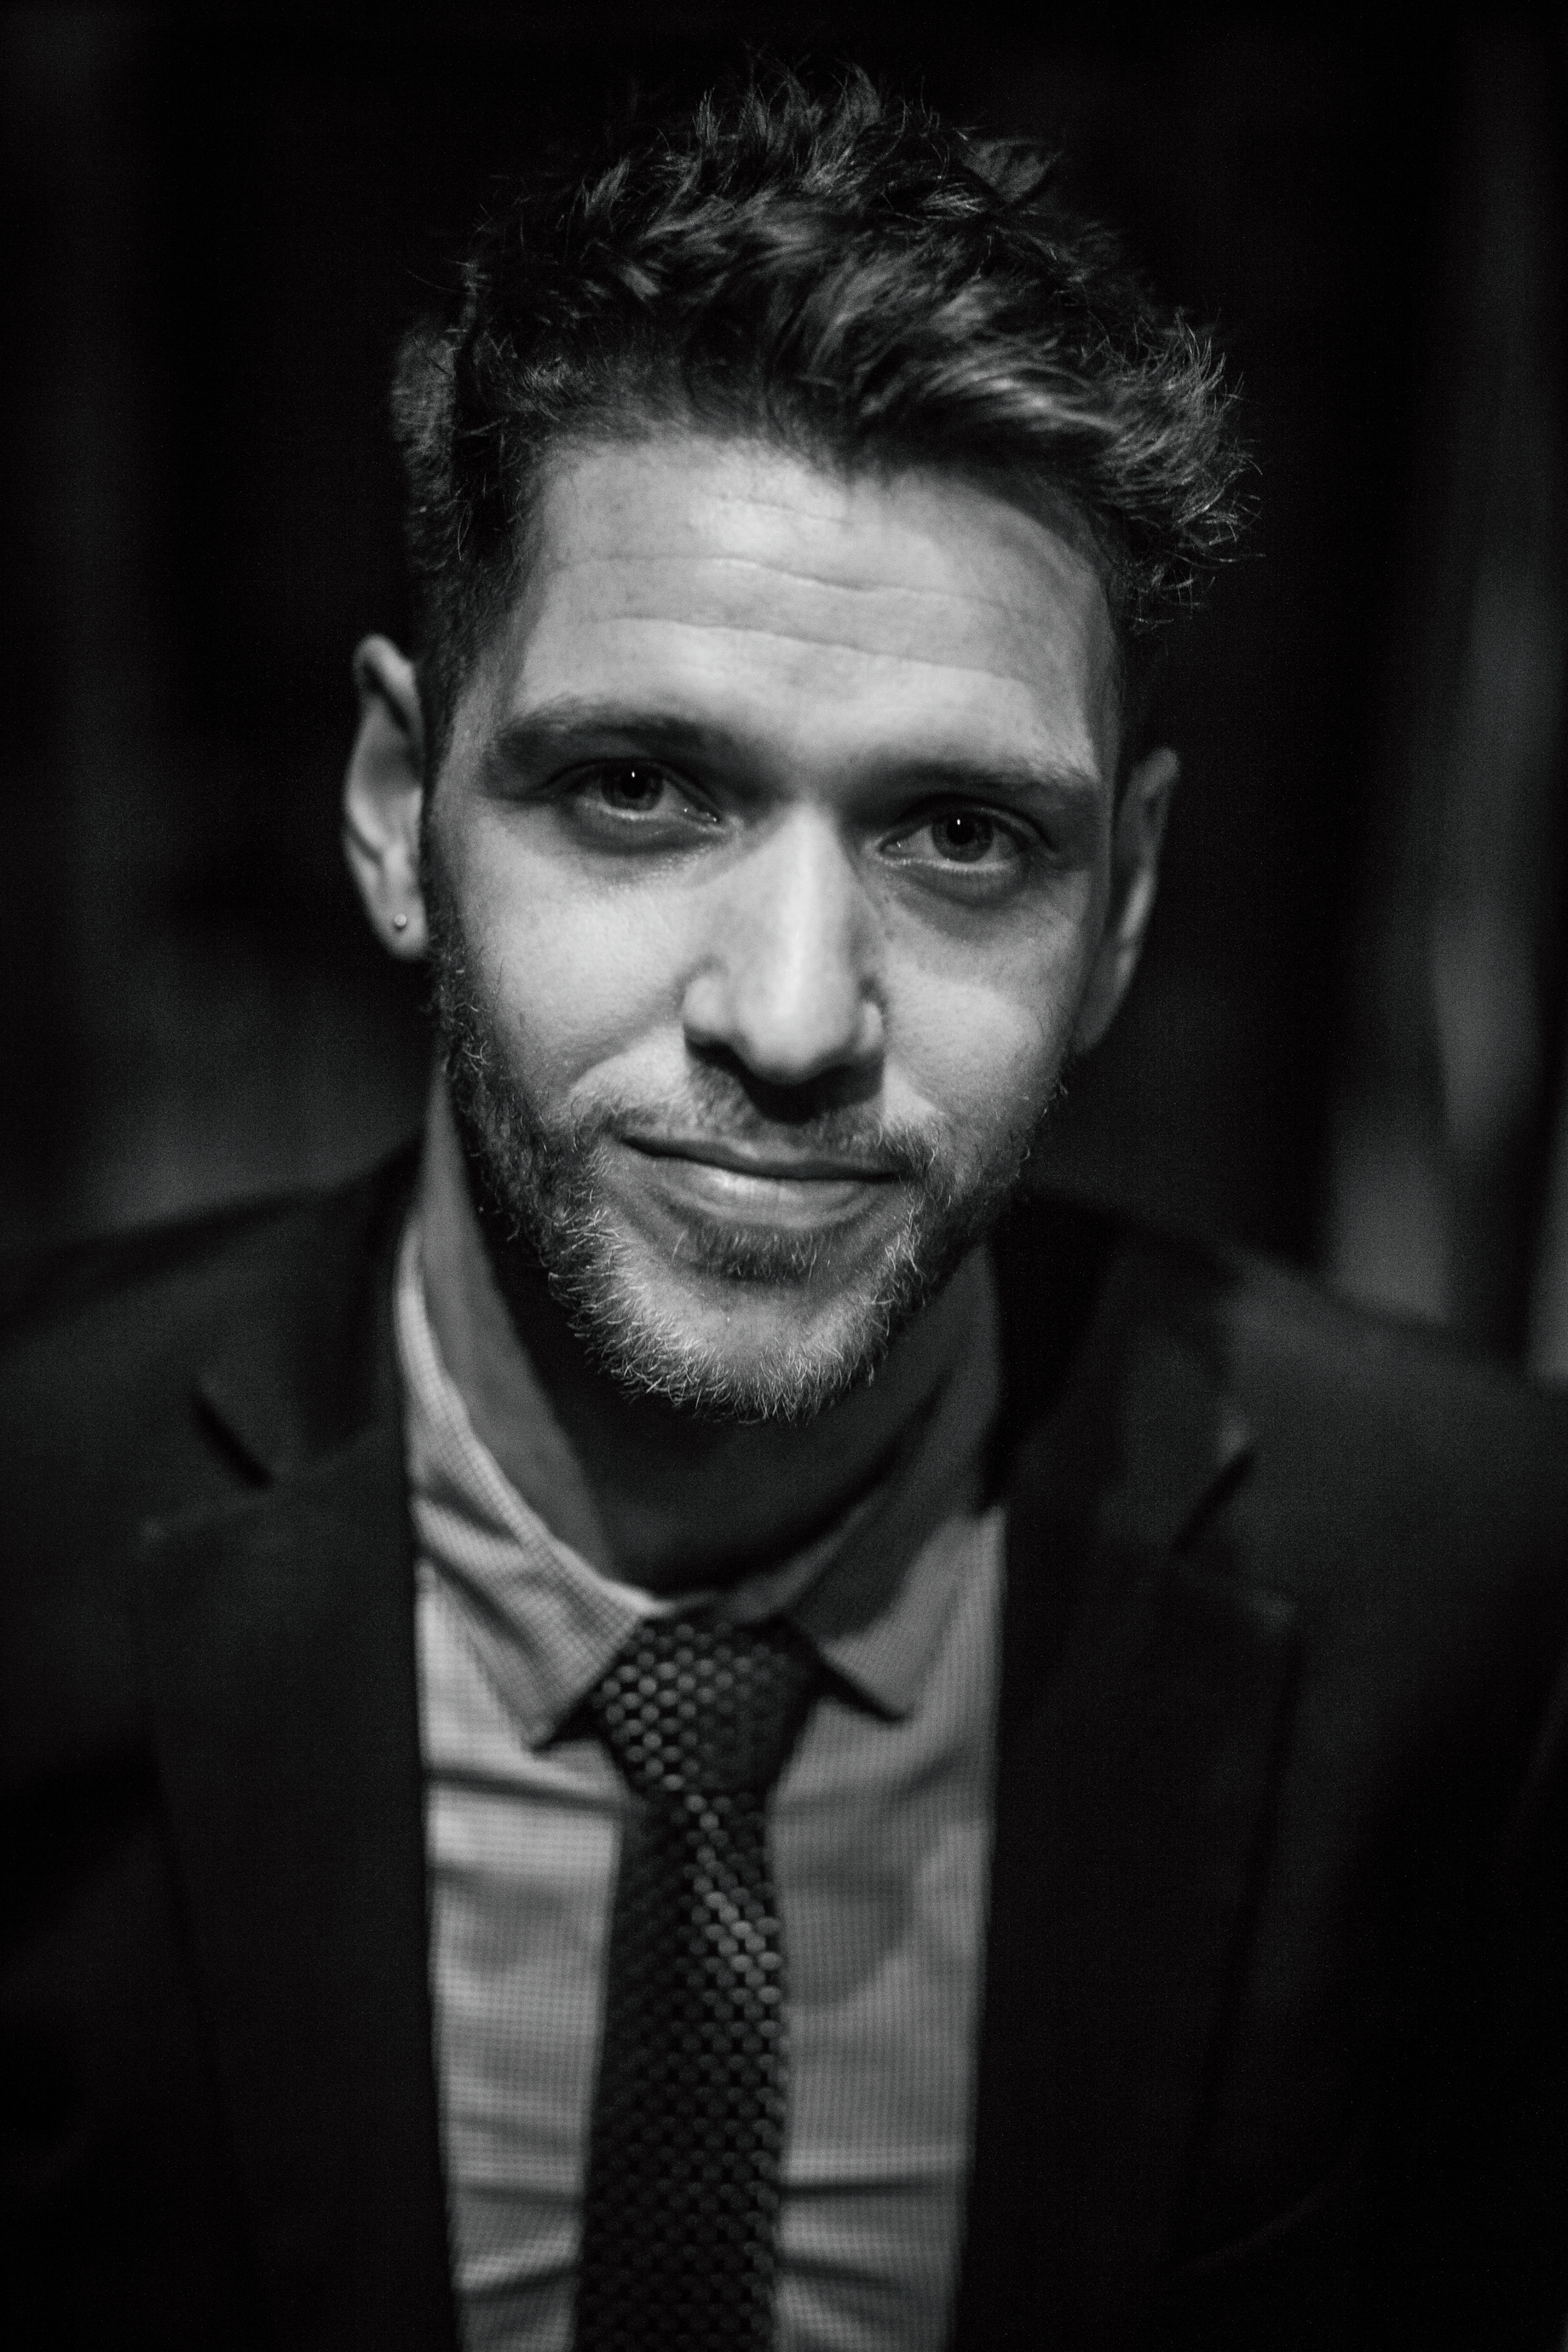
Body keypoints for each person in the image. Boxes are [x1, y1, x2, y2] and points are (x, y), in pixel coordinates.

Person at [3, 66, 1567, 2352]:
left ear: (1123, 907)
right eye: (640, 789)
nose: (801, 1015)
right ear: (395, 806)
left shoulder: (1478, 1595)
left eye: (963, 838)